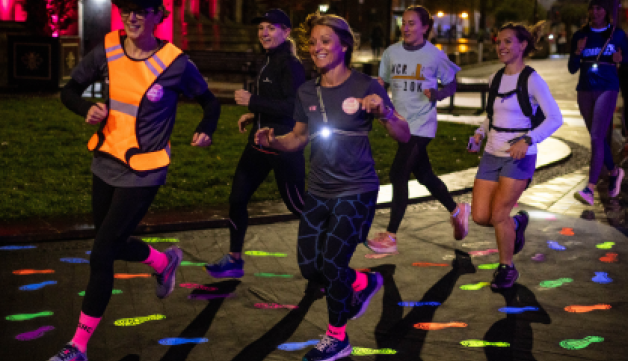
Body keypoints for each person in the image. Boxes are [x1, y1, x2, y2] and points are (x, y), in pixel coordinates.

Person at [50, 0, 220, 359]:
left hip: (145, 171)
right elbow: (69, 90)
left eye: (141, 9)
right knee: (110, 243)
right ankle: (162, 262)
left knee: (101, 254)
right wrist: (86, 108)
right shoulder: (109, 47)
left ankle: (77, 346)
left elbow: (211, 102)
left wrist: (206, 128)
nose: (132, 16)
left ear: (160, 15)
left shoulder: (176, 62)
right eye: (126, 8)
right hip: (105, 162)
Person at [254, 12, 410, 361]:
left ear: (344, 45)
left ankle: (337, 337)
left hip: (357, 189)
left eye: (326, 41)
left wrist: (384, 113)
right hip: (320, 189)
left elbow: (404, 134)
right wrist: (272, 142)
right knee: (311, 267)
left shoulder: (366, 85)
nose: (317, 48)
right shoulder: (306, 91)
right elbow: (297, 138)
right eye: (313, 42)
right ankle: (362, 282)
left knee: (332, 264)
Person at [203, 9, 306, 279]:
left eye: (271, 28)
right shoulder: (267, 61)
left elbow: (295, 107)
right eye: (261, 27)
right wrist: (253, 115)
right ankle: (234, 259)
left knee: (299, 206)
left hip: (283, 145)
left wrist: (253, 102)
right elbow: (274, 102)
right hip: (257, 145)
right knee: (237, 199)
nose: (264, 33)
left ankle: (327, 251)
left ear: (286, 32)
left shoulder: (290, 65)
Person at [367, 5, 470, 254]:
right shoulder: (391, 53)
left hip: (422, 124)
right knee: (424, 175)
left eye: (412, 23)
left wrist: (437, 93)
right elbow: (383, 83)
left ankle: (391, 236)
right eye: (403, 23)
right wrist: (377, 90)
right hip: (400, 124)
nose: (406, 27)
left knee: (398, 173)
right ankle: (457, 211)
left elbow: (452, 84)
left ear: (425, 27)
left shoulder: (434, 55)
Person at [469, 22, 563, 290]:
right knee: (480, 216)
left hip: (519, 155)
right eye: (499, 41)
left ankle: (506, 268)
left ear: (523, 45)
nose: (501, 47)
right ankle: (518, 223)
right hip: (491, 153)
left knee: (499, 214)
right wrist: (478, 133)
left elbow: (555, 118)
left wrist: (528, 139)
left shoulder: (532, 79)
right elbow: (491, 117)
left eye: (508, 42)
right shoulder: (495, 78)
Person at [569, 0, 628, 205]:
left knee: (596, 136)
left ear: (606, 12)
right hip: (584, 89)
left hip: (607, 88)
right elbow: (571, 68)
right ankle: (614, 171)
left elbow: (626, 61)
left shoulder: (617, 34)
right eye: (592, 8)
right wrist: (578, 52)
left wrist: (621, 58)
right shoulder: (580, 35)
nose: (594, 12)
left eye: (599, 8)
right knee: (598, 139)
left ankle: (590, 188)